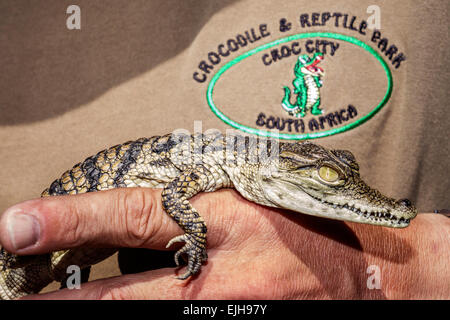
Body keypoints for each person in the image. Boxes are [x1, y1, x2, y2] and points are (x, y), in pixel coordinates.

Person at [0, 0, 448, 299]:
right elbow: (172, 197)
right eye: (330, 177)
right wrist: (195, 232)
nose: (341, 182)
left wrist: (408, 270)